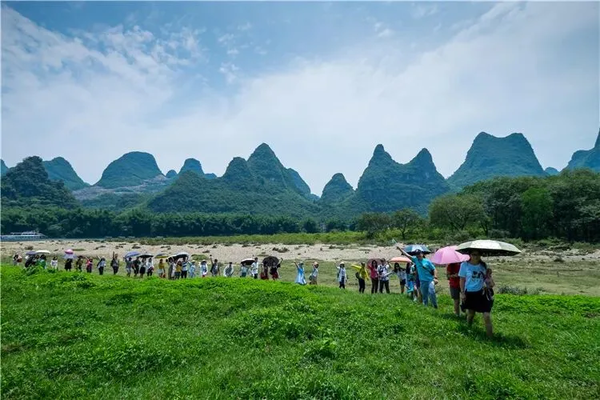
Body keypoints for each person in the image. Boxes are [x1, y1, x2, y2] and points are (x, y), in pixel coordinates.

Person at [459, 250, 495, 338]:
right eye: (474, 254)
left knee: (487, 315)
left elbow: (490, 283)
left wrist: (489, 275)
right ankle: (468, 327)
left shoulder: (483, 266)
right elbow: (462, 280)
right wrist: (462, 293)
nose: (476, 256)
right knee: (471, 313)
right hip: (470, 293)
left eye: (478, 254)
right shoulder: (464, 265)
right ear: (470, 255)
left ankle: (490, 338)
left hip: (482, 293)